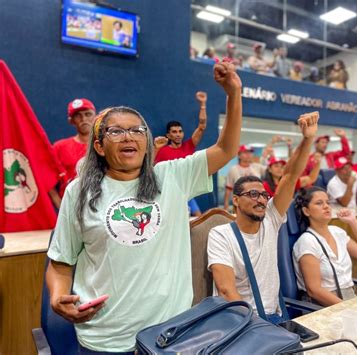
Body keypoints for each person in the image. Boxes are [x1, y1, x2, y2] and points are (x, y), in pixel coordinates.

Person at [46, 62, 243, 353]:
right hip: (104, 339)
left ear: (147, 141)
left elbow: (226, 149)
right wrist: (58, 295)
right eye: (116, 132)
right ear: (99, 147)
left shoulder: (173, 176)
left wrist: (233, 95)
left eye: (137, 130)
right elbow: (61, 262)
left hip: (170, 336)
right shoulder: (79, 191)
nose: (129, 136)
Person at [207, 112, 319, 324]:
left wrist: (307, 139)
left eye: (264, 195)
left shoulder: (271, 220)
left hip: (276, 316)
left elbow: (289, 177)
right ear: (236, 201)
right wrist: (256, 328)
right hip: (240, 321)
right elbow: (225, 290)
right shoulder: (220, 234)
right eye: (252, 194)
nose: (260, 200)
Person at [293, 187, 357, 306]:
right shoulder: (307, 241)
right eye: (319, 203)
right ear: (306, 211)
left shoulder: (337, 232)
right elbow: (314, 291)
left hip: (349, 297)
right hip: (323, 304)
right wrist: (347, 307)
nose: (326, 206)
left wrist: (353, 221)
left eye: (327, 202)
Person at [49, 98, 97, 208]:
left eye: (88, 114)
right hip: (71, 205)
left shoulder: (107, 145)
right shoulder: (59, 147)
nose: (84, 119)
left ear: (96, 117)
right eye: (78, 116)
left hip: (101, 204)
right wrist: (61, 207)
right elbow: (48, 181)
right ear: (71, 121)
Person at [154, 91, 207, 163]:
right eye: (174, 132)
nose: (178, 134)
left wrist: (202, 104)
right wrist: (156, 149)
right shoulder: (162, 151)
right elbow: (151, 167)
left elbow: (202, 126)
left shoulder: (189, 146)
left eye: (180, 131)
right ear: (168, 135)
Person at [223, 145, 266, 211]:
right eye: (245, 152)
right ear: (239, 155)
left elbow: (271, 171)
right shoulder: (233, 169)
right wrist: (226, 206)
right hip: (240, 203)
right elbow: (228, 189)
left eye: (250, 152)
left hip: (257, 201)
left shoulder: (257, 167)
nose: (248, 155)